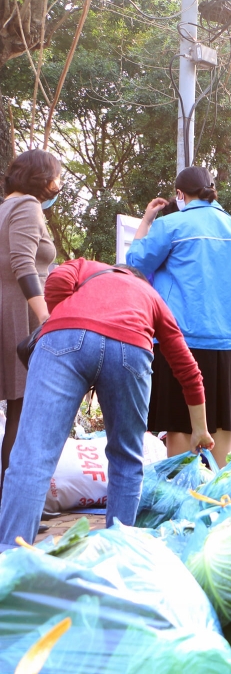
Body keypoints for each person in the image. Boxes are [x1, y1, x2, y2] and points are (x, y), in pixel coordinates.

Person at [0, 259, 214, 550]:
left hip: (63, 338)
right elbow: (187, 368)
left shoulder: (85, 266)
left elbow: (56, 282)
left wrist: (67, 313)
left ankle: (9, 558)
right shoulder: (151, 296)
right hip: (130, 347)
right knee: (126, 460)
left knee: (32, 456)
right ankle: (117, 555)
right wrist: (200, 429)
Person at [127, 166, 231, 466]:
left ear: (179, 194)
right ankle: (218, 496)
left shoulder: (171, 225)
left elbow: (135, 265)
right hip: (227, 341)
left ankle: (183, 496)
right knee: (222, 421)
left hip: (178, 341)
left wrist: (147, 220)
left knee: (179, 422)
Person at [0, 150, 60, 507]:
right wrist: (47, 319)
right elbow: (23, 264)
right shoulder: (27, 207)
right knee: (23, 412)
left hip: (9, 308)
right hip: (18, 314)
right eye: (57, 177)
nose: (59, 185)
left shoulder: (4, 207)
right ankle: (15, 506)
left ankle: (12, 500)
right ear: (42, 179)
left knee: (18, 410)